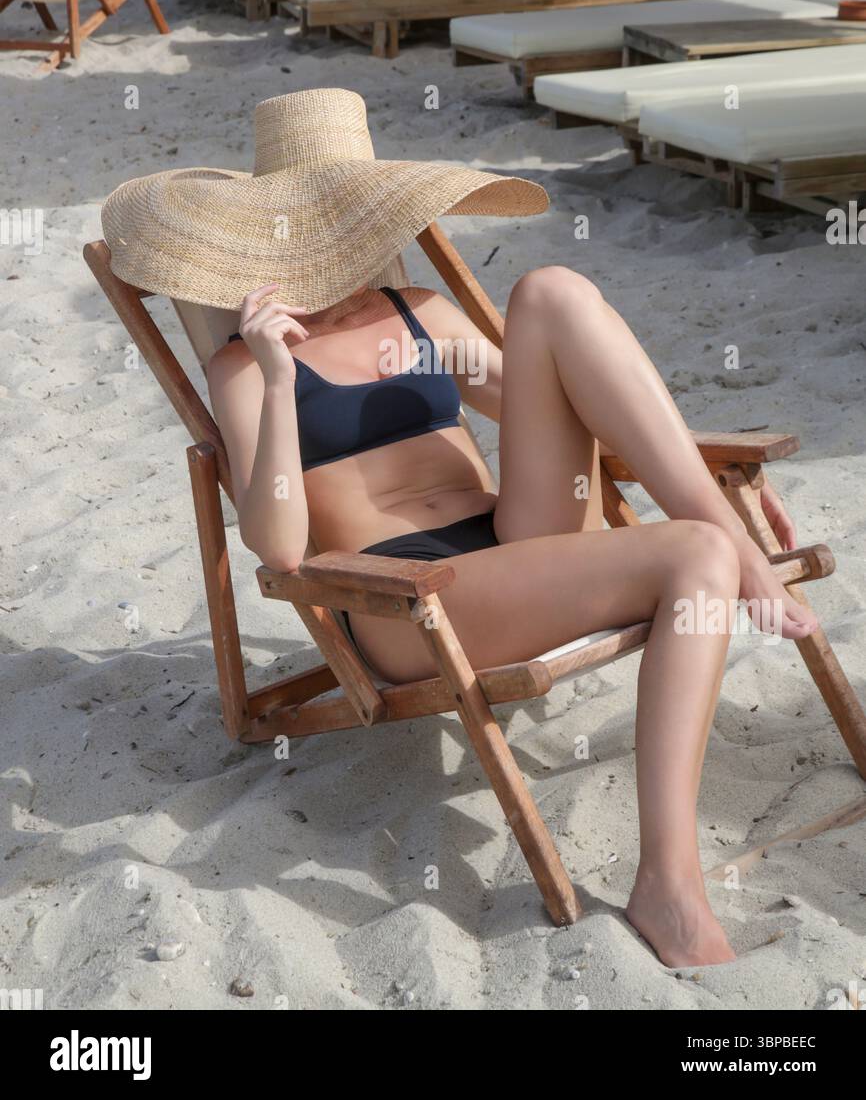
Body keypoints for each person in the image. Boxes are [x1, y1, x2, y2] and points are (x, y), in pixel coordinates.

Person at [104, 87, 816, 968]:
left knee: (554, 289)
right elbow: (280, 547)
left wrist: (699, 465)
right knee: (699, 555)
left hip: (518, 536)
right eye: (321, 222)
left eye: (353, 219)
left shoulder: (420, 313)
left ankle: (726, 535)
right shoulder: (247, 367)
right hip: (408, 598)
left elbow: (573, 398)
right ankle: (669, 885)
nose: (340, 245)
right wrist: (283, 379)